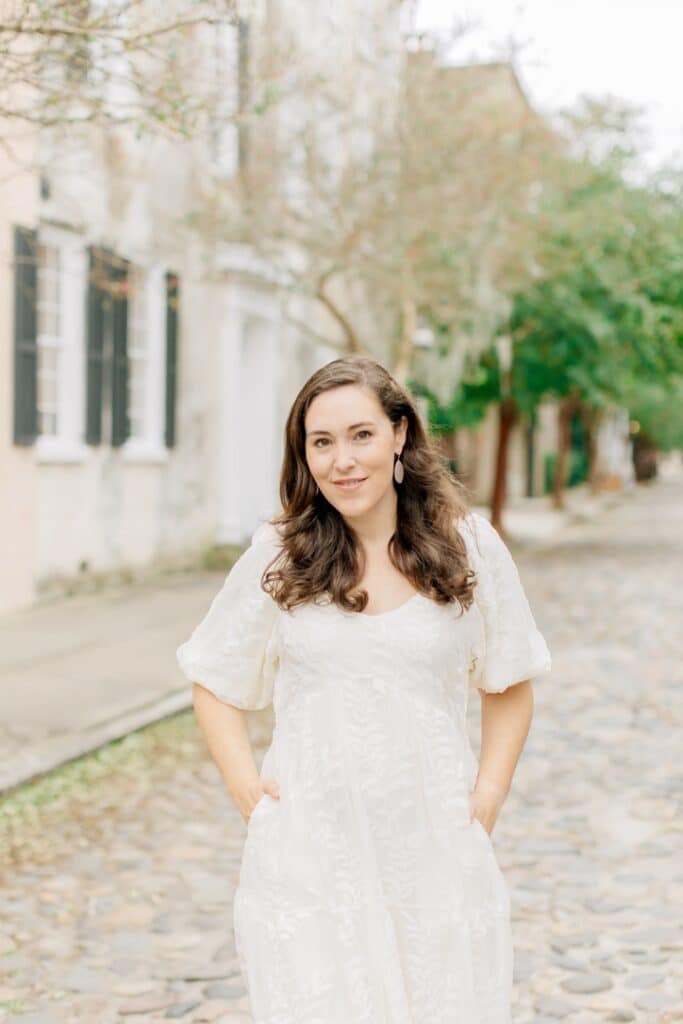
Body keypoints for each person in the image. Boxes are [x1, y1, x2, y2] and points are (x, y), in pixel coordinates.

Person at [176, 355, 552, 1023]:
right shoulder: (279, 553)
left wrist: (486, 798)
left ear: (399, 434)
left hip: (433, 851)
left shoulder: (468, 547)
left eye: (360, 435)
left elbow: (510, 680)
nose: (342, 460)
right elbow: (213, 677)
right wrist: (250, 797)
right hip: (311, 857)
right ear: (304, 455)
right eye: (320, 442)